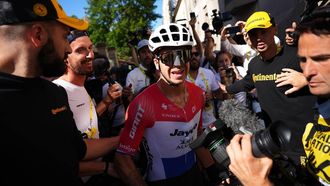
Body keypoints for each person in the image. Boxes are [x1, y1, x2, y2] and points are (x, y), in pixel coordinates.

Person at [0, 0, 119, 185]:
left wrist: (122, 140)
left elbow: (77, 150)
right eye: (65, 37)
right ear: (38, 35)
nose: (66, 49)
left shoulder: (54, 94)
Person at [226, 5, 330, 186]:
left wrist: (305, 78)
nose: (259, 38)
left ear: (274, 29)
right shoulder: (255, 64)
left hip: (311, 143)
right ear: (248, 38)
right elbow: (246, 83)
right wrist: (224, 90)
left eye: (263, 32)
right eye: (253, 34)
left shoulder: (295, 53)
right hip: (278, 144)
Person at [114, 23, 220, 186]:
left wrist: (214, 174)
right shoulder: (142, 104)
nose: (177, 64)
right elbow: (122, 158)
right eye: (169, 57)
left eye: (183, 55)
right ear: (156, 62)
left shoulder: (198, 94)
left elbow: (197, 136)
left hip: (195, 175)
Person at [52, 30, 121, 182]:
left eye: (90, 48)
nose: (90, 55)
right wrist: (106, 167)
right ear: (65, 58)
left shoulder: (82, 85)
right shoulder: (56, 93)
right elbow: (62, 161)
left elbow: (86, 122)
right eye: (80, 50)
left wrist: (107, 101)